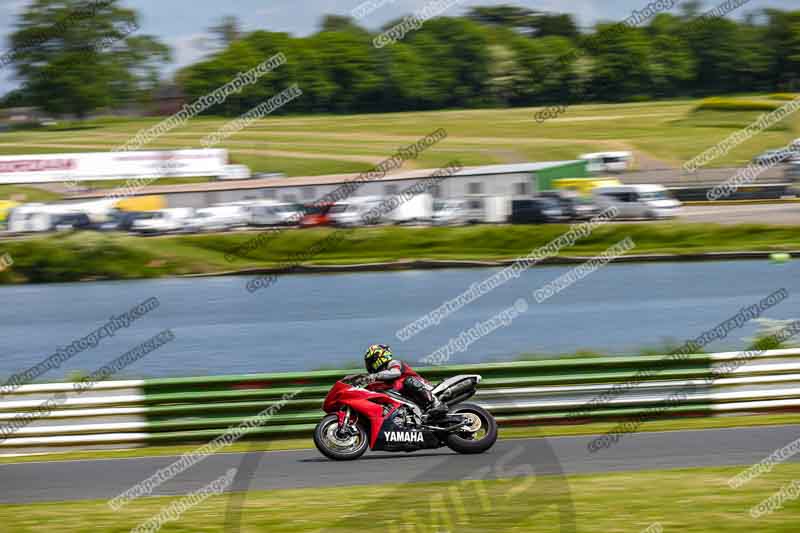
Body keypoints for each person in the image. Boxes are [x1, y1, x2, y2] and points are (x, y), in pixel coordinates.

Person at [363, 344, 447, 420]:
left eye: (370, 361)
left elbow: (395, 373)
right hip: (411, 398)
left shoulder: (393, 363)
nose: (369, 364)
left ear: (379, 356)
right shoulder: (381, 377)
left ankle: (436, 404)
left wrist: (375, 375)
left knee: (408, 381)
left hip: (426, 388)